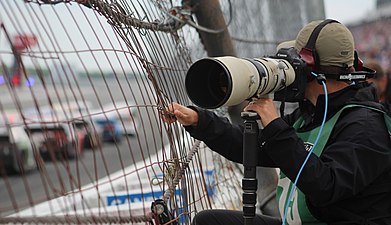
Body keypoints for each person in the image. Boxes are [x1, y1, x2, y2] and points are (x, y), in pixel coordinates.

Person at [161, 20, 391, 224]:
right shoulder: (312, 114)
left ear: (310, 70)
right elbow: (252, 146)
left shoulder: (366, 126)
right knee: (208, 221)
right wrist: (199, 121)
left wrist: (276, 127)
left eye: (296, 61)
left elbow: (326, 187)